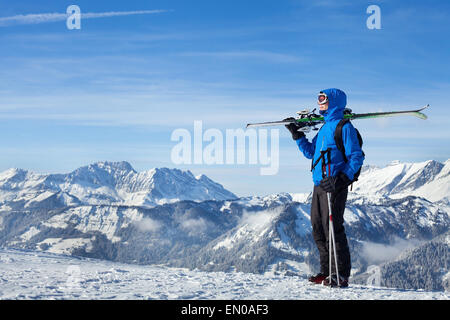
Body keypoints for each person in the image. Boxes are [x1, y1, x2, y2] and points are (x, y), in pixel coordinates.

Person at [285, 88, 364, 287]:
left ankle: (341, 275)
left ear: (334, 101)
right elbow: (312, 152)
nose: (320, 103)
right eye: (318, 99)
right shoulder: (324, 128)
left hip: (335, 185)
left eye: (323, 99)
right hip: (319, 185)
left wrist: (343, 178)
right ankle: (327, 271)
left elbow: (357, 156)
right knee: (318, 228)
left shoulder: (344, 127)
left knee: (333, 229)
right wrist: (298, 136)